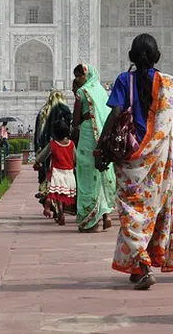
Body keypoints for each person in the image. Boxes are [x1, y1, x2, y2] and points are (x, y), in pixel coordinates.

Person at [100, 33, 173, 290]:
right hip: (158, 162)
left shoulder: (125, 79)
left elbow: (114, 112)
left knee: (131, 214)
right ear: (158, 56)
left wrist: (102, 145)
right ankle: (136, 267)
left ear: (131, 57)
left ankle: (144, 266)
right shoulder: (169, 83)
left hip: (130, 160)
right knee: (149, 213)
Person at [71, 64, 116, 233]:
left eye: (79, 76)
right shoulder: (101, 91)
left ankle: (90, 221)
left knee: (86, 174)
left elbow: (75, 121)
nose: (77, 80)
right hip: (102, 138)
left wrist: (73, 133)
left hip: (88, 135)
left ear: (86, 75)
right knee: (100, 173)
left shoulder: (82, 93)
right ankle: (106, 214)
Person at [32, 106, 76, 225]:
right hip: (69, 172)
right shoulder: (71, 144)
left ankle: (59, 212)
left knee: (56, 194)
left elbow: (42, 156)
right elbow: (75, 158)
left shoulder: (53, 144)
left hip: (57, 172)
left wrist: (37, 162)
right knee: (64, 193)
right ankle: (61, 212)